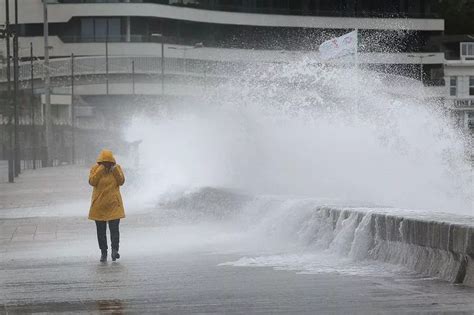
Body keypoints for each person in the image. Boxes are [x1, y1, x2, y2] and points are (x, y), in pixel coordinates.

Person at [88, 149, 125, 262]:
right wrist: (100, 170)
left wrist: (115, 171)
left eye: (109, 162)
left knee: (114, 230)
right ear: (100, 162)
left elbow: (121, 181)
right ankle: (103, 252)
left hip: (114, 205)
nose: (107, 165)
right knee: (101, 232)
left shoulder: (116, 169)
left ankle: (115, 250)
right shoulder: (95, 169)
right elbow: (92, 182)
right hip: (99, 206)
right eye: (105, 162)